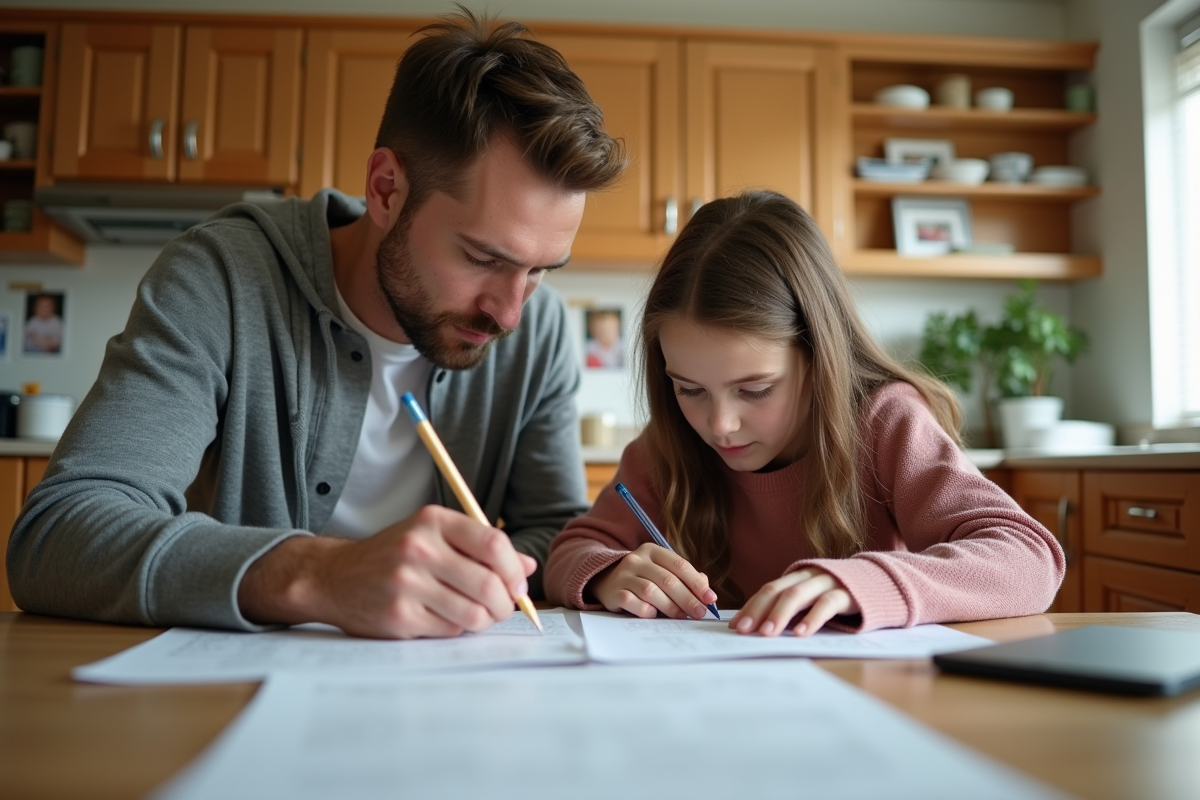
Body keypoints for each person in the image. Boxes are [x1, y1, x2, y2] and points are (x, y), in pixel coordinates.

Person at [8, 10, 625, 639]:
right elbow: (59, 534)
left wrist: (591, 567)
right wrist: (319, 575)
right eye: (482, 258)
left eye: (542, 270)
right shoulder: (221, 278)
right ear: (386, 189)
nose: (509, 313)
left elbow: (552, 529)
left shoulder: (539, 327)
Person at [544, 191, 1064, 636]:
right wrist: (608, 573)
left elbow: (1029, 558)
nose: (719, 425)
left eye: (755, 389)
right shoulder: (670, 443)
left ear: (820, 359)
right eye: (690, 389)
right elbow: (573, 548)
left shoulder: (886, 421)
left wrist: (864, 583)